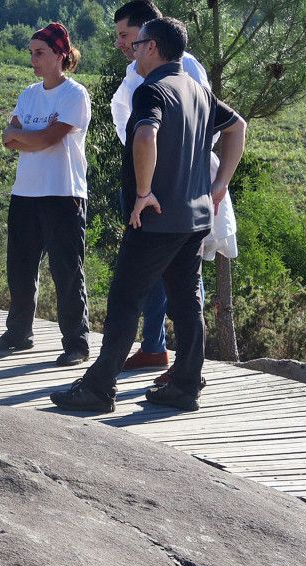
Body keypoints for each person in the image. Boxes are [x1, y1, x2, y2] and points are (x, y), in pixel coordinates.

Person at [50, 17, 246, 413]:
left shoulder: (151, 89)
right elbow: (237, 127)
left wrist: (143, 192)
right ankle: (186, 385)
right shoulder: (197, 91)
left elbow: (144, 135)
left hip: (158, 218)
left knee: (125, 299)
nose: (134, 51)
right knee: (187, 303)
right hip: (195, 219)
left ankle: (99, 388)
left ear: (153, 47)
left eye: (138, 44)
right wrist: (220, 184)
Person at [110, 0, 238, 379]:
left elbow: (159, 133)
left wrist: (217, 184)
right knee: (177, 287)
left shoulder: (175, 73)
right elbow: (236, 125)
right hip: (158, 187)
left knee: (150, 290)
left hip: (170, 189)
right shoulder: (137, 74)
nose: (122, 44)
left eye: (127, 36)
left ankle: (109, 379)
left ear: (151, 37)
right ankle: (159, 353)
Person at [0, 23, 92, 367]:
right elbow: (7, 138)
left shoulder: (75, 95)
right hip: (25, 192)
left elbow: (44, 140)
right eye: (31, 53)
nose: (33, 59)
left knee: (66, 271)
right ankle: (18, 333)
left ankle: (76, 343)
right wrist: (29, 134)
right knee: (20, 267)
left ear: (61, 54)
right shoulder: (29, 93)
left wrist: (25, 134)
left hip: (63, 193)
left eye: (40, 53)